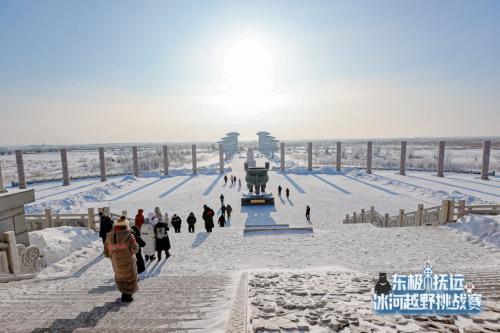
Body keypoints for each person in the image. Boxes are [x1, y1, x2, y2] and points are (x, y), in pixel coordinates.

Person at [104, 216, 139, 302]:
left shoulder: (109, 237)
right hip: (128, 262)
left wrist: (115, 254)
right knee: (130, 277)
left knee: (121, 277)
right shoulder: (129, 236)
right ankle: (127, 297)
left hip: (116, 263)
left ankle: (124, 293)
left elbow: (106, 252)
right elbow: (135, 249)